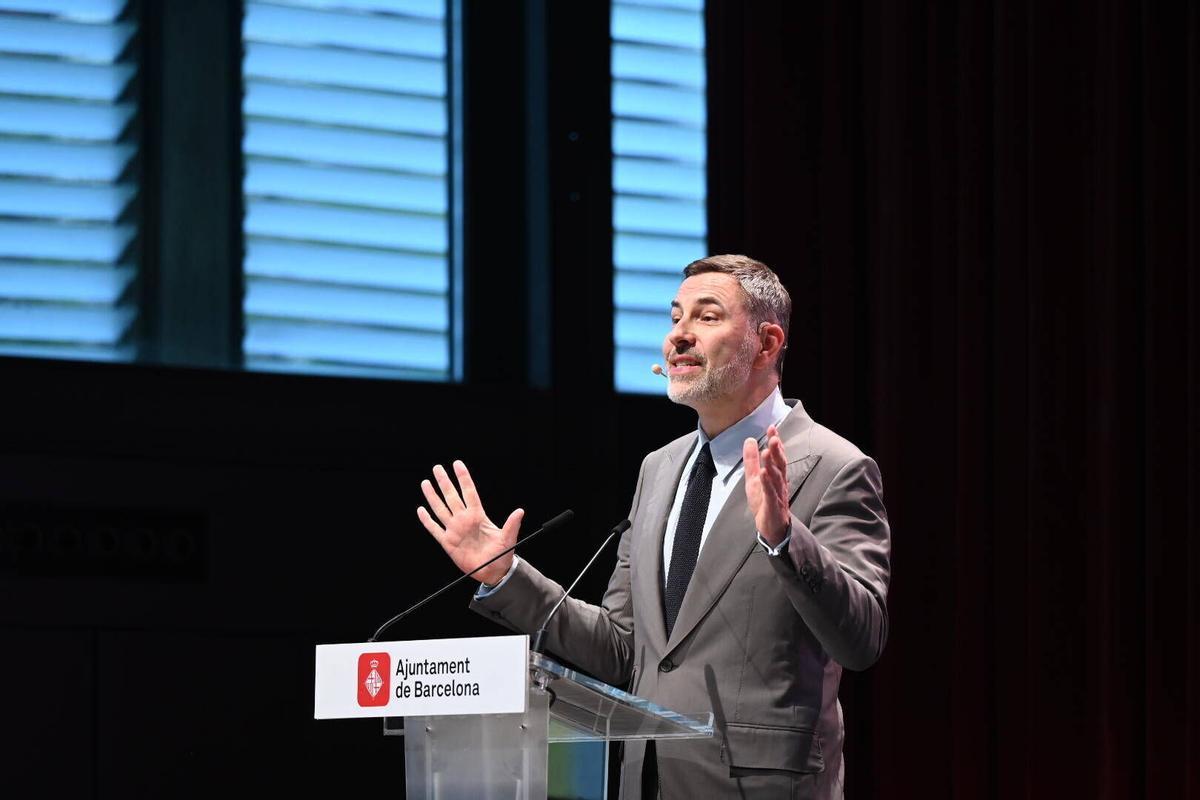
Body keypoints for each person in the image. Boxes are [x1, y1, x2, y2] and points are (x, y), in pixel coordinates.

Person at [416, 255, 891, 799]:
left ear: (766, 343)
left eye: (707, 317)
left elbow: (861, 639)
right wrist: (505, 575)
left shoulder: (835, 467)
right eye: (675, 317)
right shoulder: (659, 468)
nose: (679, 336)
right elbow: (622, 648)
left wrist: (785, 539)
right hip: (644, 780)